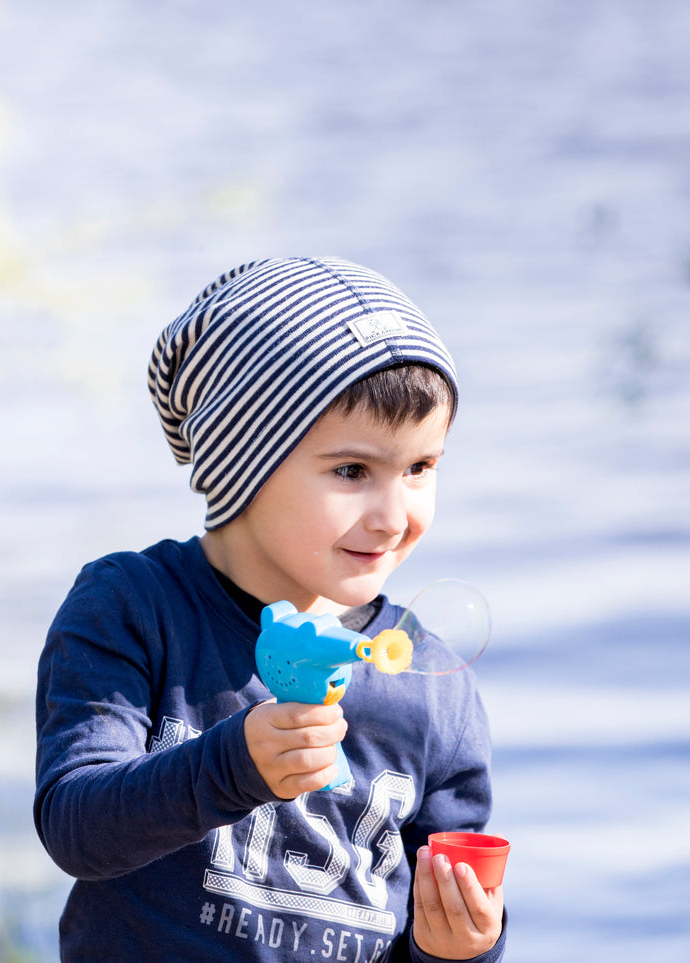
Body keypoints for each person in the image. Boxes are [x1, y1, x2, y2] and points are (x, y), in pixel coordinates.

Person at [34, 257, 505, 962]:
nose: (392, 515)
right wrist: (233, 764)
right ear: (238, 464)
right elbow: (78, 827)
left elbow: (442, 922)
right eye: (352, 472)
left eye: (419, 468)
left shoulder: (432, 683)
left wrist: (460, 948)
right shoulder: (133, 607)